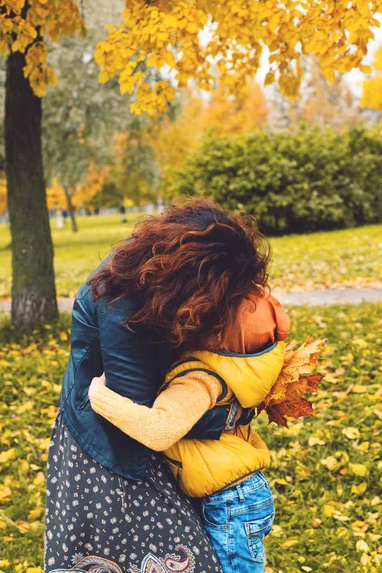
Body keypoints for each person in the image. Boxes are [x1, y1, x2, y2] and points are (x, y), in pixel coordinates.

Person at [44, 197, 271, 572]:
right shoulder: (121, 302)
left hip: (136, 433)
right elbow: (149, 416)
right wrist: (228, 414)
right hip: (111, 447)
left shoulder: (154, 285)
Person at [88, 290, 290, 572]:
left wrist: (100, 398)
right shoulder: (241, 368)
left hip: (228, 501)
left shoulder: (198, 380)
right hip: (242, 494)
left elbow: (160, 430)